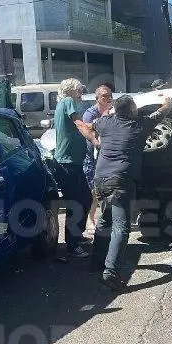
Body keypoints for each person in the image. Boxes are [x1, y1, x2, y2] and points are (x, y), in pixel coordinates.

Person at [89, 94, 172, 290]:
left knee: (105, 220)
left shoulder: (104, 122)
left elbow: (90, 125)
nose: (137, 110)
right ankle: (110, 272)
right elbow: (161, 113)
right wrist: (168, 103)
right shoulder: (138, 125)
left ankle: (96, 261)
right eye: (135, 108)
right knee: (121, 227)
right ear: (130, 111)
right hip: (120, 180)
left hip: (100, 178)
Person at [53, 78, 100, 259]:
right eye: (79, 90)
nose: (81, 93)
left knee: (86, 199)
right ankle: (72, 246)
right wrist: (94, 141)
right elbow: (79, 124)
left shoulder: (63, 105)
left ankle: (77, 237)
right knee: (76, 203)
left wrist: (99, 125)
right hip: (67, 163)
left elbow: (82, 124)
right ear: (71, 91)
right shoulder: (67, 102)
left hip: (73, 163)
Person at [83, 85, 114, 236]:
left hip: (108, 156)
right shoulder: (90, 113)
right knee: (93, 190)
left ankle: (106, 219)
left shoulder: (114, 111)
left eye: (110, 95)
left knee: (106, 189)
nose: (108, 98)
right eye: (104, 96)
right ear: (97, 99)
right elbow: (86, 130)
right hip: (92, 156)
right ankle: (90, 219)